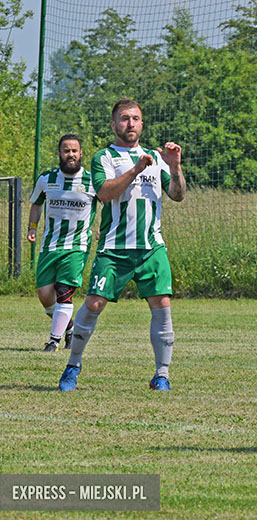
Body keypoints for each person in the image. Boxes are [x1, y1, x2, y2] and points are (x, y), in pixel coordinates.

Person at [58, 99, 186, 392]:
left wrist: (175, 167)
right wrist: (135, 170)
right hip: (114, 248)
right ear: (114, 124)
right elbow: (104, 193)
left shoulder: (156, 156)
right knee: (94, 303)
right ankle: (73, 365)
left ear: (142, 124)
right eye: (125, 118)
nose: (131, 123)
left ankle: (162, 375)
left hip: (152, 247)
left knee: (162, 305)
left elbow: (177, 194)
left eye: (136, 118)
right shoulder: (104, 156)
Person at [27, 134, 98, 352]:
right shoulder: (46, 179)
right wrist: (32, 227)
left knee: (64, 290)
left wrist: (102, 229)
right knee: (45, 296)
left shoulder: (93, 180)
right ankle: (69, 327)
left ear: (81, 153)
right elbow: (36, 205)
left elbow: (109, 203)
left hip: (77, 245)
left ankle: (53, 341)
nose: (71, 155)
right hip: (50, 245)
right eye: (66, 151)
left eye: (75, 151)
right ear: (59, 153)